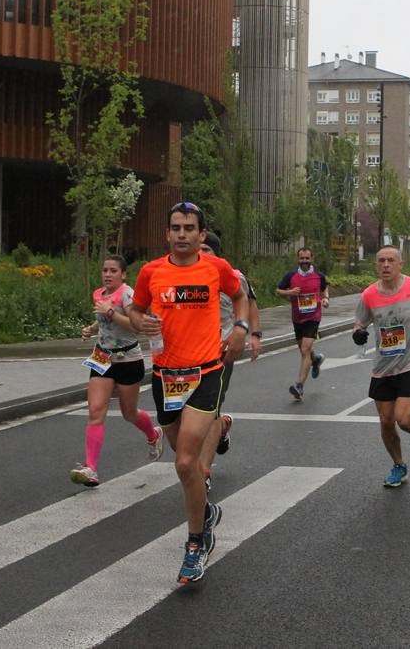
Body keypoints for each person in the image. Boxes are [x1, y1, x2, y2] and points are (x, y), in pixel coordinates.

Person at [129, 201, 248, 585]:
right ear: (167, 233)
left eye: (189, 228)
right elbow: (135, 309)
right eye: (176, 227)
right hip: (166, 376)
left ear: (201, 235)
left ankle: (196, 543)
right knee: (189, 467)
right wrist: (140, 322)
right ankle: (207, 513)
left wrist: (241, 329)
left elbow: (240, 295)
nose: (182, 234)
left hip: (206, 372)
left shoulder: (216, 268)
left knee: (184, 462)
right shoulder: (151, 272)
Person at [351, 246, 410, 488]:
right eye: (381, 261)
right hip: (383, 366)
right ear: (376, 265)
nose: (385, 265)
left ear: (400, 264)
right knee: (385, 421)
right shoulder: (369, 295)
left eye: (390, 261)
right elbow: (359, 323)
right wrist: (358, 334)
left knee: (403, 419)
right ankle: (399, 466)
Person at [70, 254, 164, 488]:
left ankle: (153, 434)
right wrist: (91, 328)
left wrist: (111, 312)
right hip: (102, 356)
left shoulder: (127, 294)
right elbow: (102, 320)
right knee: (95, 410)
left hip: (128, 358)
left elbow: (136, 325)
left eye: (113, 271)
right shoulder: (98, 294)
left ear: (123, 274)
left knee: (129, 413)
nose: (108, 275)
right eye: (105, 270)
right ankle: (91, 468)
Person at [199, 231, 261, 487]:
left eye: (207, 249)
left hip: (223, 350)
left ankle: (203, 472)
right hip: (191, 353)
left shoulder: (233, 276)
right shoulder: (185, 275)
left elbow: (250, 304)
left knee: (210, 408)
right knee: (190, 414)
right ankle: (222, 426)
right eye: (198, 249)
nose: (201, 254)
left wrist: (253, 334)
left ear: (217, 253)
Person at [277, 246, 329, 401]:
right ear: (297, 259)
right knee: (304, 350)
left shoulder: (319, 276)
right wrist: (289, 292)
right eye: (302, 258)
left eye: (307, 258)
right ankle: (316, 360)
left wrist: (325, 298)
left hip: (313, 317)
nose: (304, 261)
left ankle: (299, 386)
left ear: (311, 259)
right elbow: (278, 290)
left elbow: (324, 288)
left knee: (305, 349)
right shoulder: (291, 276)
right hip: (297, 318)